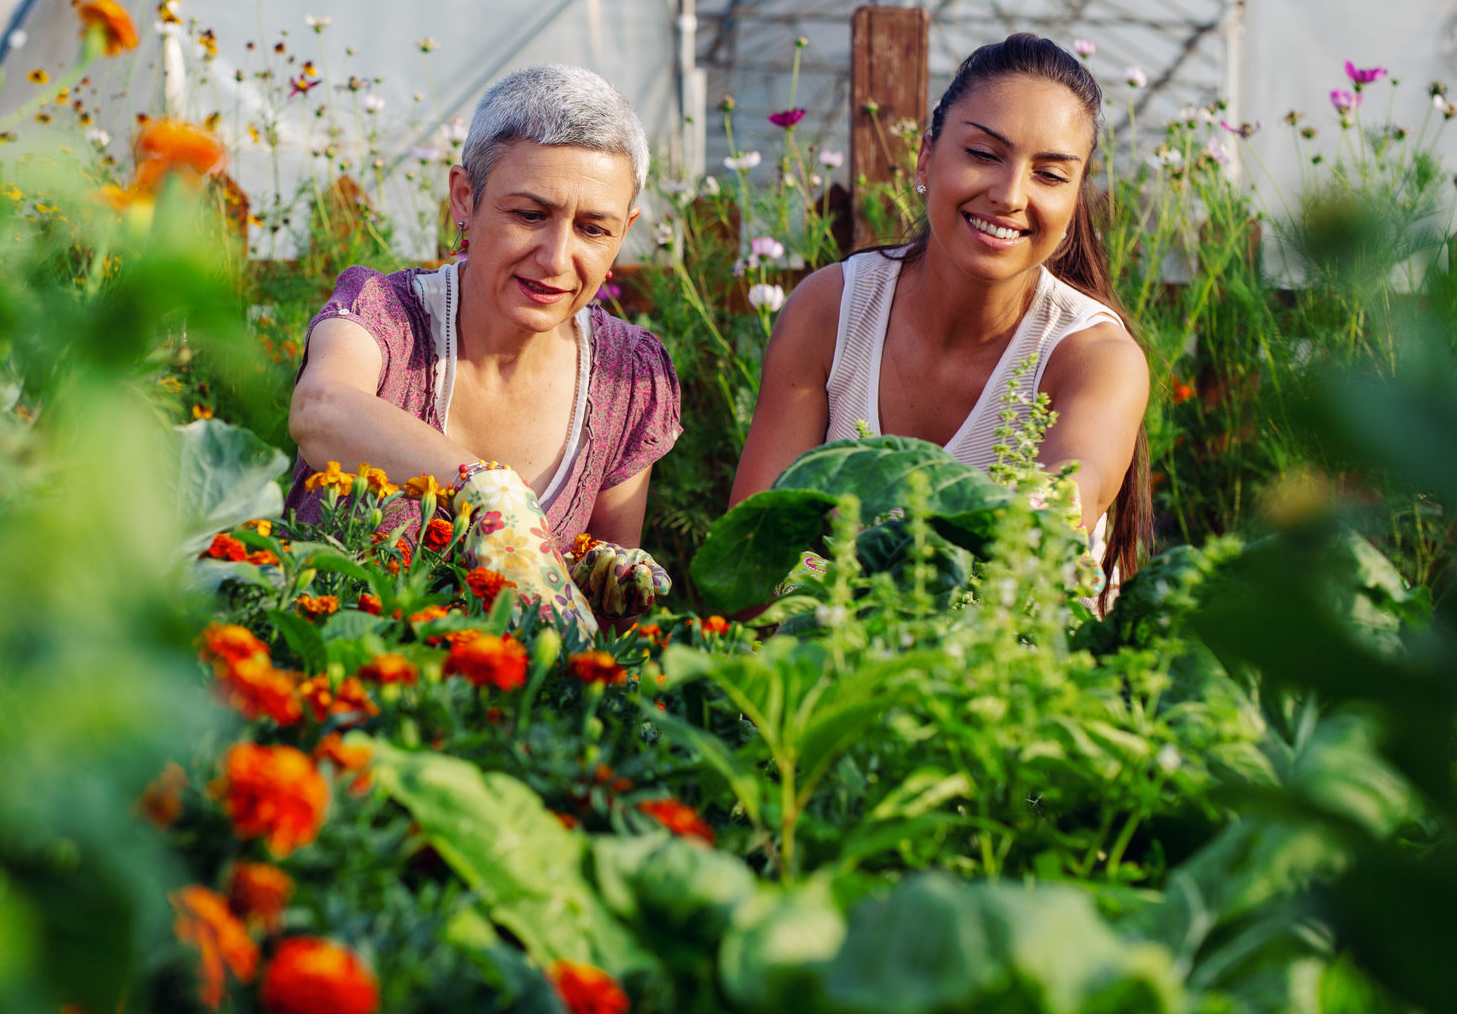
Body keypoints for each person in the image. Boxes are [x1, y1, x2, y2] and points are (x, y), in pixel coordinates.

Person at [731, 33, 1152, 582]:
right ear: (925, 158)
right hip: (843, 657)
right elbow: (752, 555)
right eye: (982, 154)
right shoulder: (830, 311)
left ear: (1074, 201)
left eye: (1049, 175)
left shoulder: (1096, 356)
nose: (1010, 194)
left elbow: (1070, 499)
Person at [285, 64, 683, 627]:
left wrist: (603, 576)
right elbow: (320, 408)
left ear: (625, 228)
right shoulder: (385, 314)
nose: (555, 257)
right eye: (529, 215)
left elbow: (604, 629)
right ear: (465, 198)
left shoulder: (629, 377)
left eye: (594, 229)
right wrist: (490, 493)